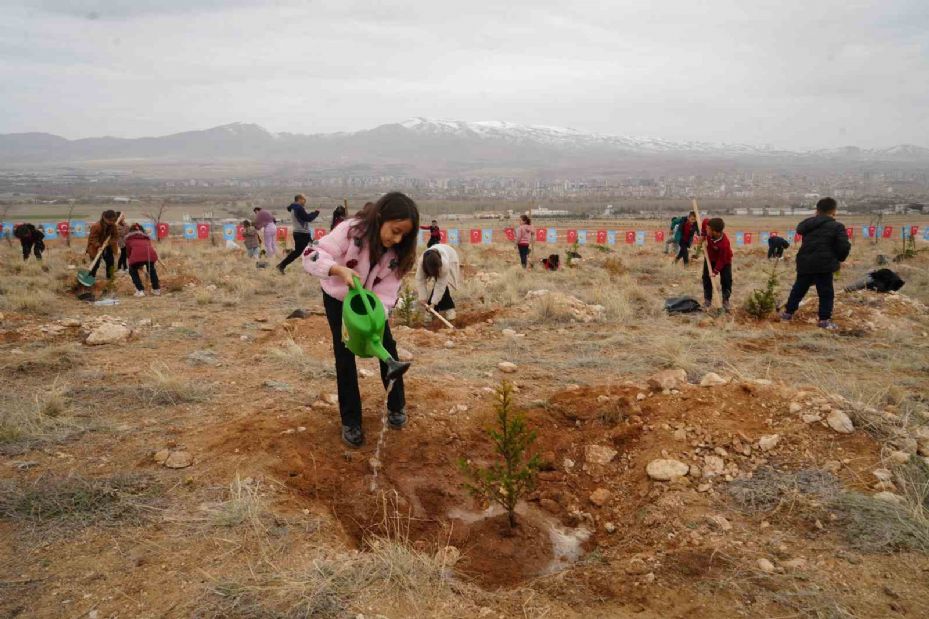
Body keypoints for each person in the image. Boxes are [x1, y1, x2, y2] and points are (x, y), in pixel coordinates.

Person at [303, 192, 419, 448]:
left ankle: (396, 406)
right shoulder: (350, 231)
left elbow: (388, 293)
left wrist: (375, 321)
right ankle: (351, 421)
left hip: (372, 304)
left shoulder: (397, 254)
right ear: (381, 217)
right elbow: (311, 253)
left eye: (403, 236)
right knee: (344, 355)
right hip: (337, 299)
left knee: (386, 346)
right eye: (395, 231)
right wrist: (337, 269)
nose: (397, 239)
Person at [780, 197, 851, 330]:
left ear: (817, 210)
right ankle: (824, 320)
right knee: (826, 293)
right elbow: (844, 246)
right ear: (834, 211)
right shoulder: (837, 226)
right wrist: (839, 259)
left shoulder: (808, 224)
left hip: (805, 261)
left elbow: (800, 229)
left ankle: (787, 314)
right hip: (824, 264)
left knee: (799, 289)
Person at [416, 244, 460, 324]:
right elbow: (420, 280)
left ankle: (449, 309)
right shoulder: (421, 262)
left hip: (451, 257)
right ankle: (442, 309)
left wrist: (433, 303)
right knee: (439, 287)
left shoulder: (444, 264)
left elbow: (440, 285)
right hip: (435, 259)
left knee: (443, 285)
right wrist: (423, 297)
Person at [278, 194, 319, 274]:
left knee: (311, 250)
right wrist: (316, 213)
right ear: (299, 199)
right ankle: (281, 265)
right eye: (304, 199)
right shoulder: (298, 208)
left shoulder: (295, 208)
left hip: (301, 233)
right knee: (301, 251)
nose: (305, 201)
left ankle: (313, 269)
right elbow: (308, 218)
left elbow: (305, 217)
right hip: (302, 234)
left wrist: (312, 213)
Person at [702, 218, 733, 312]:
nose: (707, 230)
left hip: (724, 260)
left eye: (708, 230)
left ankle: (725, 300)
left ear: (715, 232)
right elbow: (705, 221)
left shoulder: (724, 244)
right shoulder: (709, 228)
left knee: (726, 279)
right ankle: (707, 300)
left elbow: (722, 260)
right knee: (706, 278)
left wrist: (715, 271)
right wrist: (703, 234)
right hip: (710, 258)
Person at [124, 223, 161, 297]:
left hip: (137, 256)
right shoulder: (146, 238)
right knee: (152, 270)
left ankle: (140, 290)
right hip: (150, 255)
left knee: (132, 270)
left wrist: (132, 261)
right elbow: (148, 248)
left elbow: (128, 252)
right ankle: (156, 290)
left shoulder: (128, 239)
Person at [86, 210, 120, 280]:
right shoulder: (96, 226)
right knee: (96, 264)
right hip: (95, 247)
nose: (112, 222)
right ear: (105, 218)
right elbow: (93, 238)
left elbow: (115, 237)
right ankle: (90, 278)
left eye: (113, 220)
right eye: (110, 220)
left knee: (110, 262)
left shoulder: (113, 226)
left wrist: (109, 243)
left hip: (107, 246)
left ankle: (110, 278)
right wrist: (98, 246)